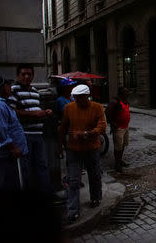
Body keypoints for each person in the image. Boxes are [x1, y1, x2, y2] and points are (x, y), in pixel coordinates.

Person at [58, 84, 107, 224]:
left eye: (80, 97)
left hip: (92, 148)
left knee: (95, 175)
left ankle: (96, 197)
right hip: (73, 149)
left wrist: (86, 134)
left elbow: (102, 126)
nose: (77, 100)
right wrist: (59, 146)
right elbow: (63, 127)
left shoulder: (97, 107)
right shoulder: (69, 108)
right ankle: (73, 211)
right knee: (73, 180)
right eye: (75, 98)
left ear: (87, 96)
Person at [8, 64, 56, 197]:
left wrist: (46, 112)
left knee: (42, 165)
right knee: (26, 168)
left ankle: (46, 194)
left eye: (29, 74)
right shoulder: (13, 90)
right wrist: (33, 115)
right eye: (23, 74)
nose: (26, 76)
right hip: (24, 135)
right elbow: (11, 112)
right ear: (18, 75)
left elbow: (35, 109)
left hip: (38, 135)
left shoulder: (35, 91)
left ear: (33, 76)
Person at [0, 77, 28, 191]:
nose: (10, 88)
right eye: (7, 85)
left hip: (4, 157)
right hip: (3, 158)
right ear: (2, 88)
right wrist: (13, 147)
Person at [105, 86, 131, 173]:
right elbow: (107, 112)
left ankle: (120, 160)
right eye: (126, 92)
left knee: (123, 145)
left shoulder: (125, 100)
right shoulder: (115, 101)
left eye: (128, 91)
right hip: (119, 128)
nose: (128, 93)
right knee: (118, 147)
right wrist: (112, 123)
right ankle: (117, 164)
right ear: (121, 93)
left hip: (125, 127)